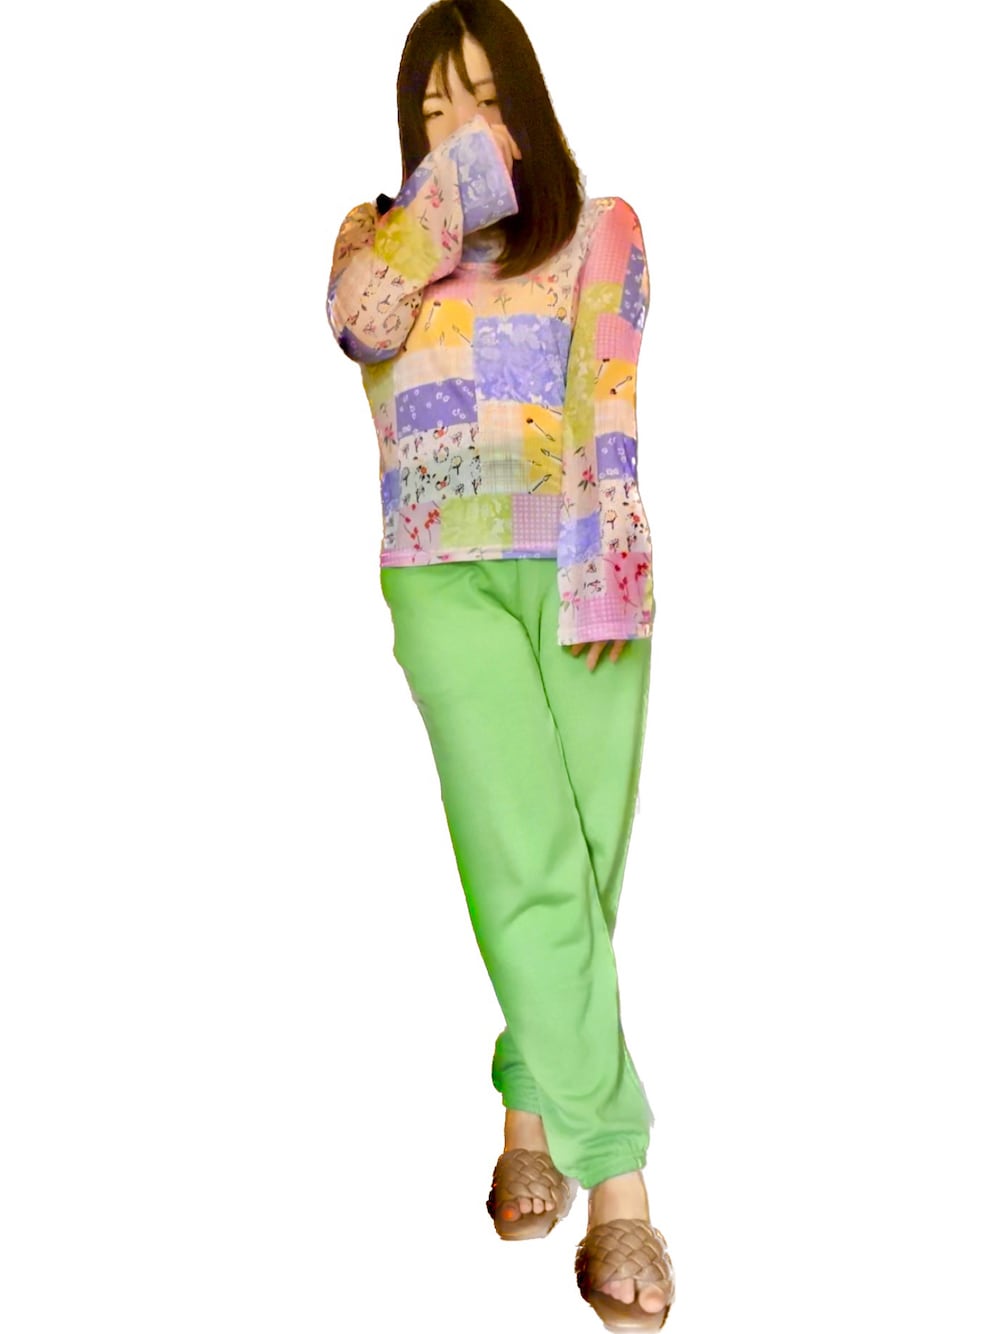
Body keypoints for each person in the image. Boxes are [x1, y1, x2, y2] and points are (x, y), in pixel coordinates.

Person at [325, 1, 675, 1326]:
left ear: (526, 93)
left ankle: (530, 1108)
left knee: (578, 864)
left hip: (586, 567)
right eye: (433, 109)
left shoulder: (606, 229)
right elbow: (359, 326)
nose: (461, 123)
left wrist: (613, 561)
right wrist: (454, 184)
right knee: (521, 859)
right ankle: (620, 1180)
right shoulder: (375, 241)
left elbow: (609, 408)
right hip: (442, 576)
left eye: (482, 96)